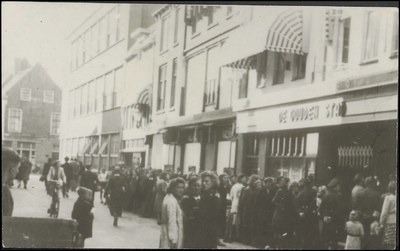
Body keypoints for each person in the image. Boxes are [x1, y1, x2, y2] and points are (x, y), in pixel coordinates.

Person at [353, 176, 382, 249]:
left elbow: (355, 206)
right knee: (372, 238)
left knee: (363, 237)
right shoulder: (377, 194)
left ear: (366, 183)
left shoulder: (360, 193)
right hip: (372, 217)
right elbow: (379, 208)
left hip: (362, 217)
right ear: (372, 183)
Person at [159, 177, 185, 249]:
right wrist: (173, 240)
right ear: (172, 188)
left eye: (183, 187)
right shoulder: (171, 202)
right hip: (171, 235)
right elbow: (172, 221)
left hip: (167, 232)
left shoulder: (169, 197)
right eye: (178, 187)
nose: (181, 190)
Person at [293, 178, 319, 249]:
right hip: (310, 217)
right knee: (308, 237)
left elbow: (296, 203)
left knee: (301, 236)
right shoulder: (311, 192)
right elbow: (313, 204)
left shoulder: (300, 193)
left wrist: (301, 212)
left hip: (302, 217)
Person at [319, 178, 344, 250]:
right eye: (338, 185)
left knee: (325, 241)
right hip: (335, 222)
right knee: (334, 242)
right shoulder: (339, 197)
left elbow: (321, 209)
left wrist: (324, 216)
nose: (339, 187)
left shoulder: (325, 197)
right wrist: (331, 217)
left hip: (326, 222)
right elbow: (340, 210)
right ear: (335, 187)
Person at [272, 176, 296, 249]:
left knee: (284, 234)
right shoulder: (280, 191)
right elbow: (273, 201)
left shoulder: (290, 192)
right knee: (279, 234)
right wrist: (280, 207)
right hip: (279, 216)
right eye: (288, 183)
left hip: (287, 216)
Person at [198, 171, 220, 249]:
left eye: (206, 181)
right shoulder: (205, 192)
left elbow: (213, 213)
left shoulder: (213, 194)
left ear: (213, 182)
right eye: (203, 181)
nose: (204, 183)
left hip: (209, 226)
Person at [253, 177, 276, 248]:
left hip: (268, 212)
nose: (269, 184)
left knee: (266, 228)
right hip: (262, 212)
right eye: (268, 182)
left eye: (270, 182)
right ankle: (259, 243)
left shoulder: (271, 190)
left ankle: (265, 243)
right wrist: (259, 211)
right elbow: (257, 202)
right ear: (265, 183)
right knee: (261, 228)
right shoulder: (261, 190)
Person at [181, 176, 203, 248]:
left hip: (202, 229)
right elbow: (187, 213)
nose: (196, 188)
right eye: (194, 185)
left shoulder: (204, 199)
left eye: (198, 186)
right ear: (190, 186)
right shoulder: (186, 199)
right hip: (190, 229)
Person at [240, 174, 261, 246]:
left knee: (252, 225)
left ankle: (250, 240)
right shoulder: (248, 189)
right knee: (247, 224)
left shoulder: (255, 189)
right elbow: (244, 200)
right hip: (248, 209)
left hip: (253, 209)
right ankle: (246, 240)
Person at [2, 147, 21, 216]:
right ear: (11, 168)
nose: (18, 171)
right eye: (18, 168)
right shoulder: (5, 192)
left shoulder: (5, 189)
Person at [229, 173, 246, 242]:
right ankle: (236, 235)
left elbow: (231, 195)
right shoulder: (242, 187)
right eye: (244, 178)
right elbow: (241, 197)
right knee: (237, 221)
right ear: (241, 179)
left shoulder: (234, 185)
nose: (245, 179)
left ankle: (232, 235)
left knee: (234, 220)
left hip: (234, 203)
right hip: (238, 204)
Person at [379, 181, 396, 250]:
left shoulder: (388, 198)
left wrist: (381, 223)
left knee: (389, 242)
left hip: (389, 221)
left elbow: (384, 212)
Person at [217, 173, 231, 246]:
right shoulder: (220, 186)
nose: (227, 179)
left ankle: (217, 239)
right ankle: (217, 239)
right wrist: (228, 201)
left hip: (223, 206)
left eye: (227, 178)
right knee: (219, 222)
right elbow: (220, 197)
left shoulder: (225, 186)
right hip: (220, 206)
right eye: (225, 178)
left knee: (221, 222)